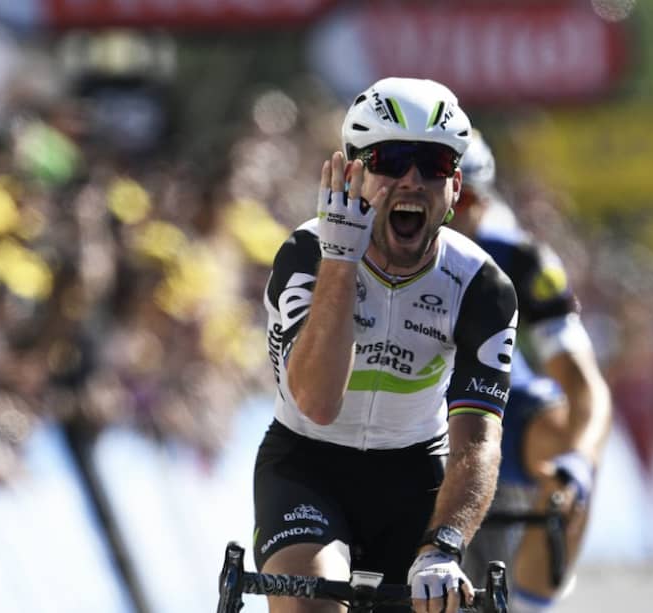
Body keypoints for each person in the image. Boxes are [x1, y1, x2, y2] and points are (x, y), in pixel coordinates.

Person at [251, 78, 519, 613]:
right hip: (307, 467)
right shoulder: (306, 254)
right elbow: (319, 403)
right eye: (391, 160)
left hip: (415, 475)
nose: (412, 180)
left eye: (434, 164)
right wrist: (341, 263)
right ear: (353, 175)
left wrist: (444, 548)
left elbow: (477, 437)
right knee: (313, 606)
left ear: (457, 186)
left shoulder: (481, 286)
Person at [448, 131, 612, 613]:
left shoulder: (521, 258)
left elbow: (585, 388)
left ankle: (531, 605)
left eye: (471, 198)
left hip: (495, 404)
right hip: (406, 408)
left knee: (570, 436)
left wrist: (577, 464)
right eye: (452, 200)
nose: (460, 214)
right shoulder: (371, 249)